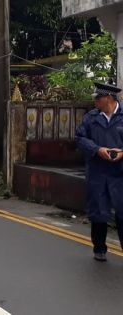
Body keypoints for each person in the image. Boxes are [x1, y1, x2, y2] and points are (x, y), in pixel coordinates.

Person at [75, 82, 123, 262]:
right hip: (98, 172)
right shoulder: (90, 118)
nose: (95, 101)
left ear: (109, 98)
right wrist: (97, 149)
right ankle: (100, 248)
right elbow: (79, 138)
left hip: (120, 173)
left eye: (98, 98)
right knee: (99, 212)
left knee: (122, 212)